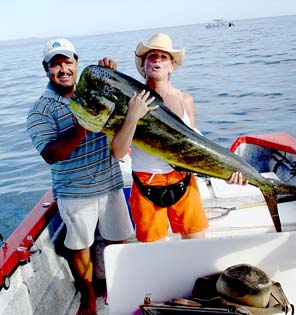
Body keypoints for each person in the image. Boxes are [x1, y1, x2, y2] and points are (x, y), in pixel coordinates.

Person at [27, 38, 134, 315]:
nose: (63, 69)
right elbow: (50, 154)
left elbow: (126, 108)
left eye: (68, 62)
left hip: (110, 183)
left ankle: (120, 287)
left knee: (119, 239)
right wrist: (83, 126)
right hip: (74, 192)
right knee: (80, 246)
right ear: (45, 68)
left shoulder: (92, 92)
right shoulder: (41, 109)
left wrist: (111, 76)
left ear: (76, 63)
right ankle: (88, 298)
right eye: (56, 64)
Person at [111, 33, 247, 243]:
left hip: (184, 182)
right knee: (154, 254)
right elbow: (118, 152)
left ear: (171, 66)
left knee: (197, 246)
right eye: (152, 56)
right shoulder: (131, 100)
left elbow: (192, 149)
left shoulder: (185, 100)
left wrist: (226, 172)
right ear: (143, 65)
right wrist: (132, 116)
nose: (157, 59)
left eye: (164, 57)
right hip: (147, 184)